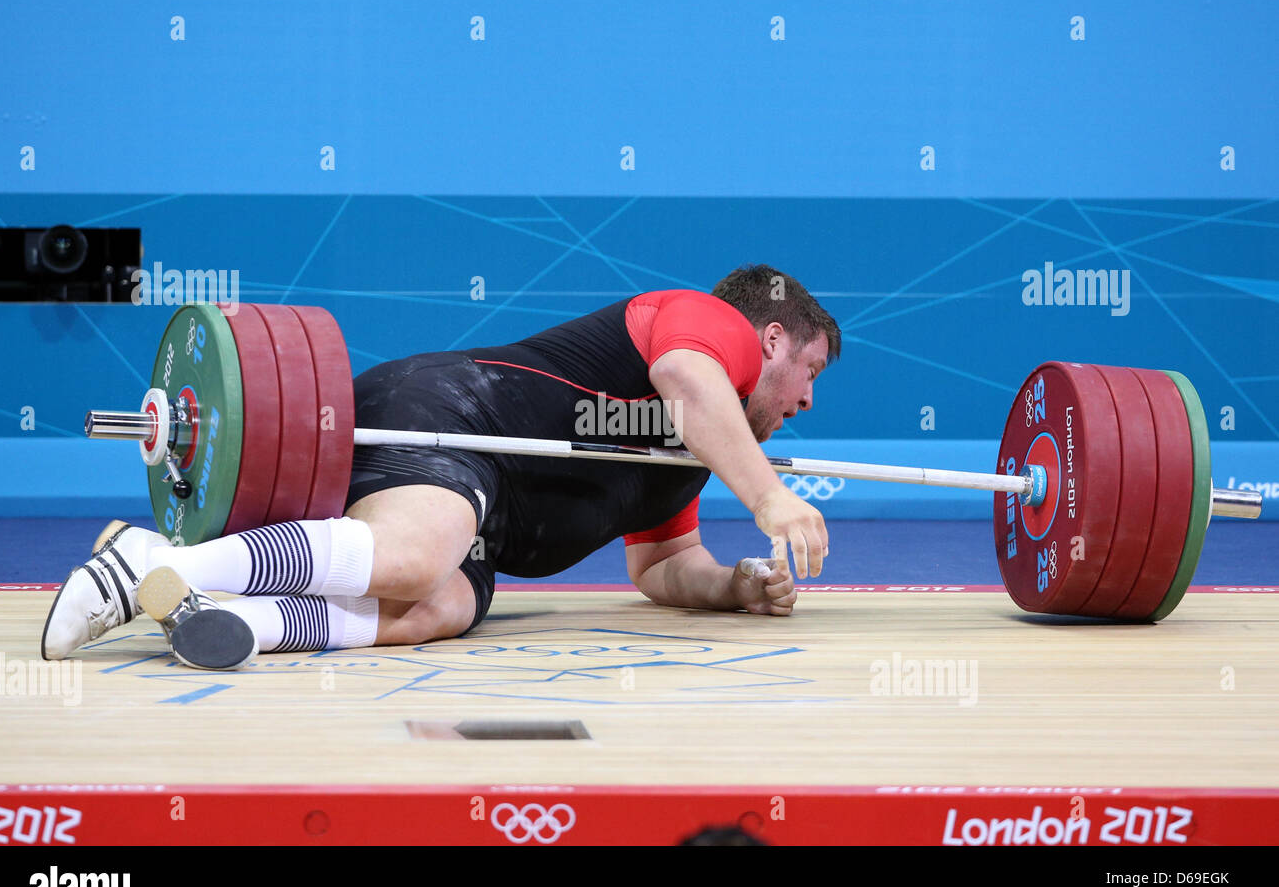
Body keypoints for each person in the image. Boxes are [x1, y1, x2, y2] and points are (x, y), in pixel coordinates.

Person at [42, 264, 840, 670]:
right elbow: (686, 378)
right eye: (811, 373)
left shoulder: (690, 455)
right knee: (419, 560)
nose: (806, 401)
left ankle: (220, 611)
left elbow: (665, 566)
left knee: (441, 606)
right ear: (770, 340)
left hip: (478, 514)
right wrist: (771, 500)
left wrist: (732, 586)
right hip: (447, 414)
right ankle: (146, 561)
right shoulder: (710, 329)